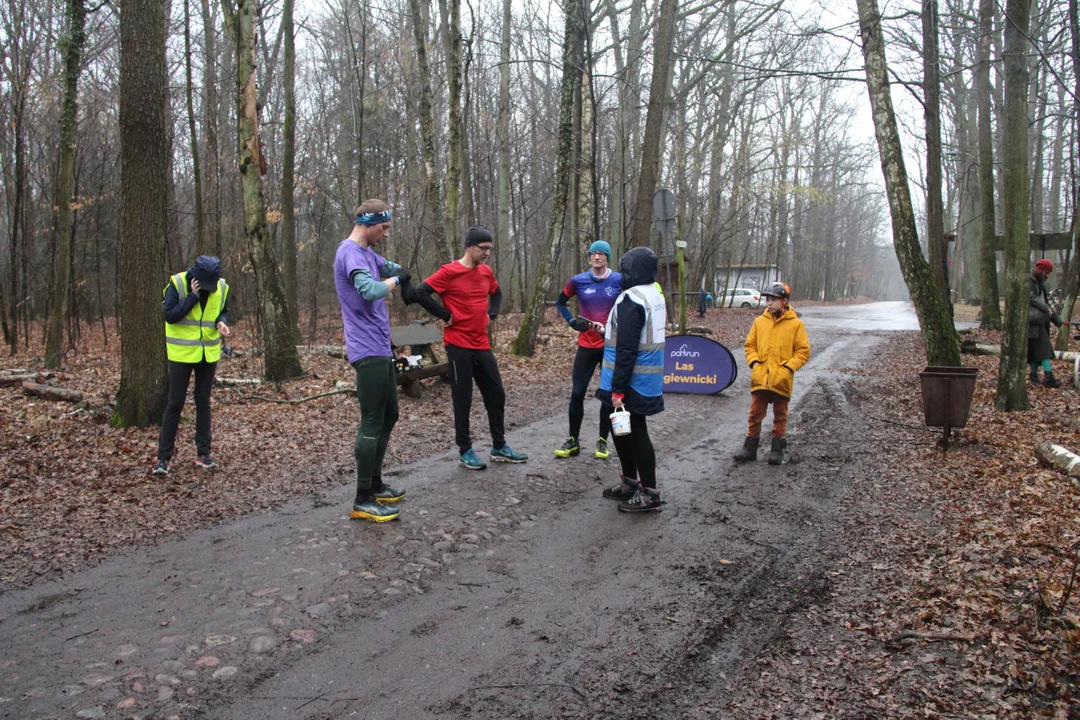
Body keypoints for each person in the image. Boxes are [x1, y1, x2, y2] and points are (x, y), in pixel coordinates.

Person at [415, 226, 528, 470]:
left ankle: (499, 446)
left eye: (489, 248)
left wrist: (492, 313)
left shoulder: (486, 272)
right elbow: (421, 292)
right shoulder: (449, 272)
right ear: (468, 247)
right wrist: (445, 314)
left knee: (496, 394)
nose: (486, 253)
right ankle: (465, 450)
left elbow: (496, 294)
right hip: (458, 345)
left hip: (482, 345)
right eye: (482, 248)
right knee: (463, 398)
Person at [334, 199, 414, 522]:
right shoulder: (350, 252)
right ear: (368, 223)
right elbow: (368, 290)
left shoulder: (368, 253)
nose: (385, 234)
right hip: (366, 349)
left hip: (381, 347)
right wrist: (394, 282)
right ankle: (361, 498)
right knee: (371, 421)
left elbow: (387, 266)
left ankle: (376, 484)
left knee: (390, 415)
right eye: (382, 228)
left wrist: (398, 272)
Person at [596, 247, 667, 513]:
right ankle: (630, 481)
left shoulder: (632, 298)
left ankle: (650, 492)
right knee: (621, 428)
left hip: (630, 382)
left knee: (635, 432)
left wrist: (618, 390)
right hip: (641, 380)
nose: (621, 274)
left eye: (625, 269)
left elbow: (627, 348)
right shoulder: (654, 293)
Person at [153, 255, 230, 475]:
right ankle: (163, 458)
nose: (209, 289)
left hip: (208, 352)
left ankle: (204, 453)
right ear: (195, 277)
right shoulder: (177, 284)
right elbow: (170, 315)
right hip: (181, 353)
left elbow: (223, 310)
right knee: (174, 403)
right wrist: (192, 297)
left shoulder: (222, 287)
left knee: (203, 402)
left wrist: (222, 322)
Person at [553, 240, 622, 460]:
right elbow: (560, 302)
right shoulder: (578, 281)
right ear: (589, 257)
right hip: (586, 345)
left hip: (610, 347)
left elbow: (630, 305)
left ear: (608, 257)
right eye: (593, 253)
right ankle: (573, 440)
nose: (597, 257)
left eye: (602, 253)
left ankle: (602, 441)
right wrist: (572, 321)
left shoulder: (619, 280)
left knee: (606, 396)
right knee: (577, 393)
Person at [732, 282, 810, 466]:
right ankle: (750, 448)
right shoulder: (759, 322)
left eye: (773, 299)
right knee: (755, 414)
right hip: (761, 377)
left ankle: (777, 450)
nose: (769, 303)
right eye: (767, 299)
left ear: (784, 301)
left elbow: (803, 351)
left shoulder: (796, 325)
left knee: (780, 415)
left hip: (781, 379)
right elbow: (750, 345)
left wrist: (788, 367)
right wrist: (755, 362)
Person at [1029, 258, 1063, 387]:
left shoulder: (1040, 282)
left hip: (1039, 320)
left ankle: (1033, 375)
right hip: (1033, 320)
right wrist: (1046, 309)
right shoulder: (1030, 281)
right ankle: (1048, 377)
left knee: (1035, 350)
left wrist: (1057, 321)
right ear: (1040, 269)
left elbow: (1046, 303)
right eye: (1046, 271)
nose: (1047, 275)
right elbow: (1031, 298)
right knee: (1044, 349)